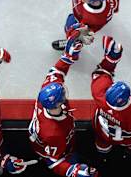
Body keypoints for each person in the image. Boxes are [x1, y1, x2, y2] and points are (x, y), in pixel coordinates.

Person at [28, 34, 98, 177]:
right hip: (57, 147)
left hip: (51, 136)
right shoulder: (52, 134)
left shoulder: (47, 89)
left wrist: (68, 56)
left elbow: (57, 72)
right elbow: (53, 161)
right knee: (76, 160)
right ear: (57, 104)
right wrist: (72, 171)